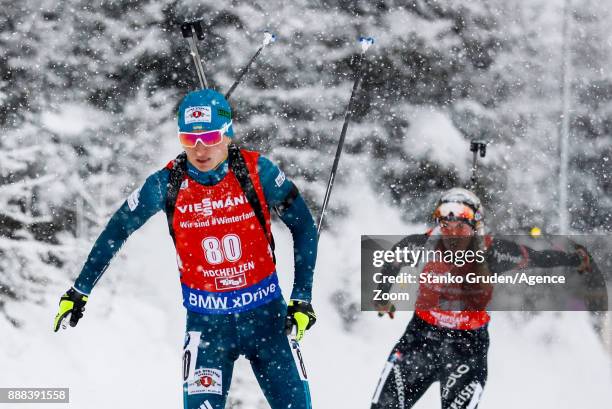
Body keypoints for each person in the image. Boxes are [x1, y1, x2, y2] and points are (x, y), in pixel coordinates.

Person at [53, 89, 318, 409]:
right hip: (208, 330)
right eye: (189, 138)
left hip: (267, 321)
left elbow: (303, 225)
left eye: (208, 136)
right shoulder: (166, 183)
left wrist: (301, 297)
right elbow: (117, 229)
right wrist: (80, 290)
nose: (200, 148)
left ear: (227, 134)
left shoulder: (256, 171)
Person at [370, 188, 592, 409]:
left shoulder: (493, 252)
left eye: (461, 226)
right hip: (420, 341)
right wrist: (382, 298)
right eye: (446, 226)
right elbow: (393, 261)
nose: (453, 234)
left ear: (476, 226)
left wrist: (576, 259)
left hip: (465, 349)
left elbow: (538, 258)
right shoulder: (422, 245)